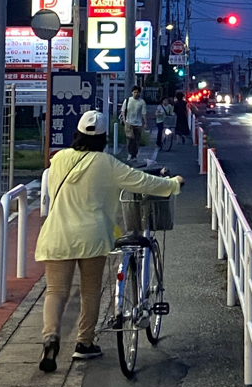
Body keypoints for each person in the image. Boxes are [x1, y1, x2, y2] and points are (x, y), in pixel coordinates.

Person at [35, 110, 182, 372]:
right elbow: (142, 181)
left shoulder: (58, 160)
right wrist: (172, 184)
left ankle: (50, 339)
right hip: (92, 236)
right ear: (103, 138)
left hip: (57, 234)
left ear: (77, 134)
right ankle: (84, 343)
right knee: (90, 291)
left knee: (56, 291)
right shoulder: (107, 163)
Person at [121, 85, 147, 159]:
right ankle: (130, 152)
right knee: (130, 138)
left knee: (136, 140)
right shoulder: (127, 100)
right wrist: (124, 120)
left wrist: (145, 122)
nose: (136, 94)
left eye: (137, 92)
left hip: (138, 124)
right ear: (132, 92)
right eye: (135, 92)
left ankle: (134, 154)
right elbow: (123, 111)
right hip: (129, 123)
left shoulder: (142, 102)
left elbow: (143, 113)